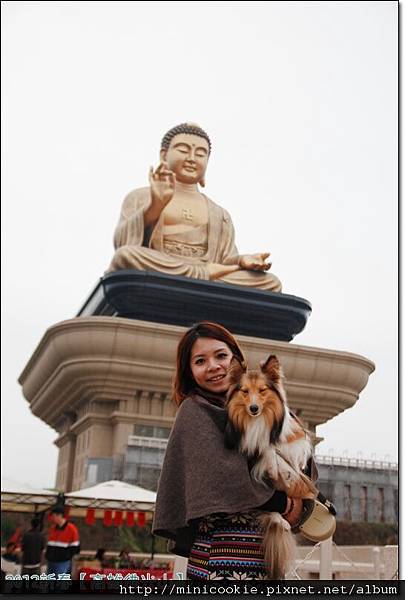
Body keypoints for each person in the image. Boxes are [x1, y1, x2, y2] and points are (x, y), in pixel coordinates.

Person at [153, 321, 316, 580]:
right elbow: (222, 480)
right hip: (221, 554)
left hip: (270, 553)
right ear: (189, 371)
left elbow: (301, 466)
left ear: (236, 359)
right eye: (200, 361)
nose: (214, 367)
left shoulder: (270, 406)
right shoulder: (194, 411)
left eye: (221, 356)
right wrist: (282, 502)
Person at [108, 123, 282, 292]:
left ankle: (203, 277)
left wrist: (242, 261)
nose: (191, 158)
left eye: (200, 154)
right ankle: (205, 276)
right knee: (127, 256)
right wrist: (156, 205)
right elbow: (124, 243)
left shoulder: (220, 214)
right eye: (183, 150)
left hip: (205, 273)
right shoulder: (140, 196)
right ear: (164, 155)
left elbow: (225, 260)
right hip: (163, 264)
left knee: (271, 283)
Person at [45, 505, 80, 576]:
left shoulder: (71, 529)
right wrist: (48, 556)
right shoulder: (52, 528)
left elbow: (76, 548)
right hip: (51, 561)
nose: (52, 518)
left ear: (60, 515)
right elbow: (49, 544)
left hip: (62, 562)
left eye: (53, 516)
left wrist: (65, 557)